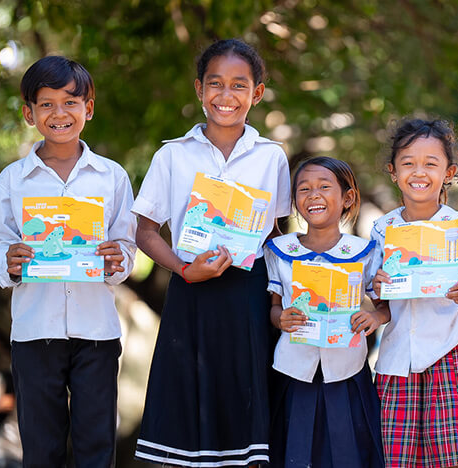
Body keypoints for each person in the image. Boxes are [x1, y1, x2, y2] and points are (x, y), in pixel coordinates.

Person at [132, 39, 291, 467]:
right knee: (187, 408)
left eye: (239, 85)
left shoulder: (272, 158)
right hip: (192, 289)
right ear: (199, 89)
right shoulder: (172, 155)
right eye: (216, 84)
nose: (226, 96)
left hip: (249, 295)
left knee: (244, 409)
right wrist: (185, 269)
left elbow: (274, 233)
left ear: (256, 94)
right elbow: (145, 231)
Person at [0, 55, 136, 467]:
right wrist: (11, 260)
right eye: (46, 104)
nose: (59, 113)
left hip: (96, 333)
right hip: (35, 331)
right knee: (41, 448)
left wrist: (116, 258)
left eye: (70, 102)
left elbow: (126, 249)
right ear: (28, 113)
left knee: (96, 446)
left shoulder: (111, 177)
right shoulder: (12, 181)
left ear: (88, 108)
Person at [371, 118, 458, 467]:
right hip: (396, 361)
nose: (418, 172)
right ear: (393, 172)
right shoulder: (383, 230)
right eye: (408, 163)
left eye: (430, 163)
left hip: (449, 354)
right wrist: (378, 288)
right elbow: (379, 301)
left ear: (449, 172)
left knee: (453, 455)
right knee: (393, 456)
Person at [264, 157, 387, 468]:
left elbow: (383, 308)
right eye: (304, 189)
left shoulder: (365, 252)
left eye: (324, 187)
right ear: (294, 201)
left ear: (347, 198)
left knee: (347, 454)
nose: (313, 195)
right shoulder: (280, 250)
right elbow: (274, 308)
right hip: (293, 372)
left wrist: (373, 318)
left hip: (347, 373)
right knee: (292, 453)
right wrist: (281, 318)